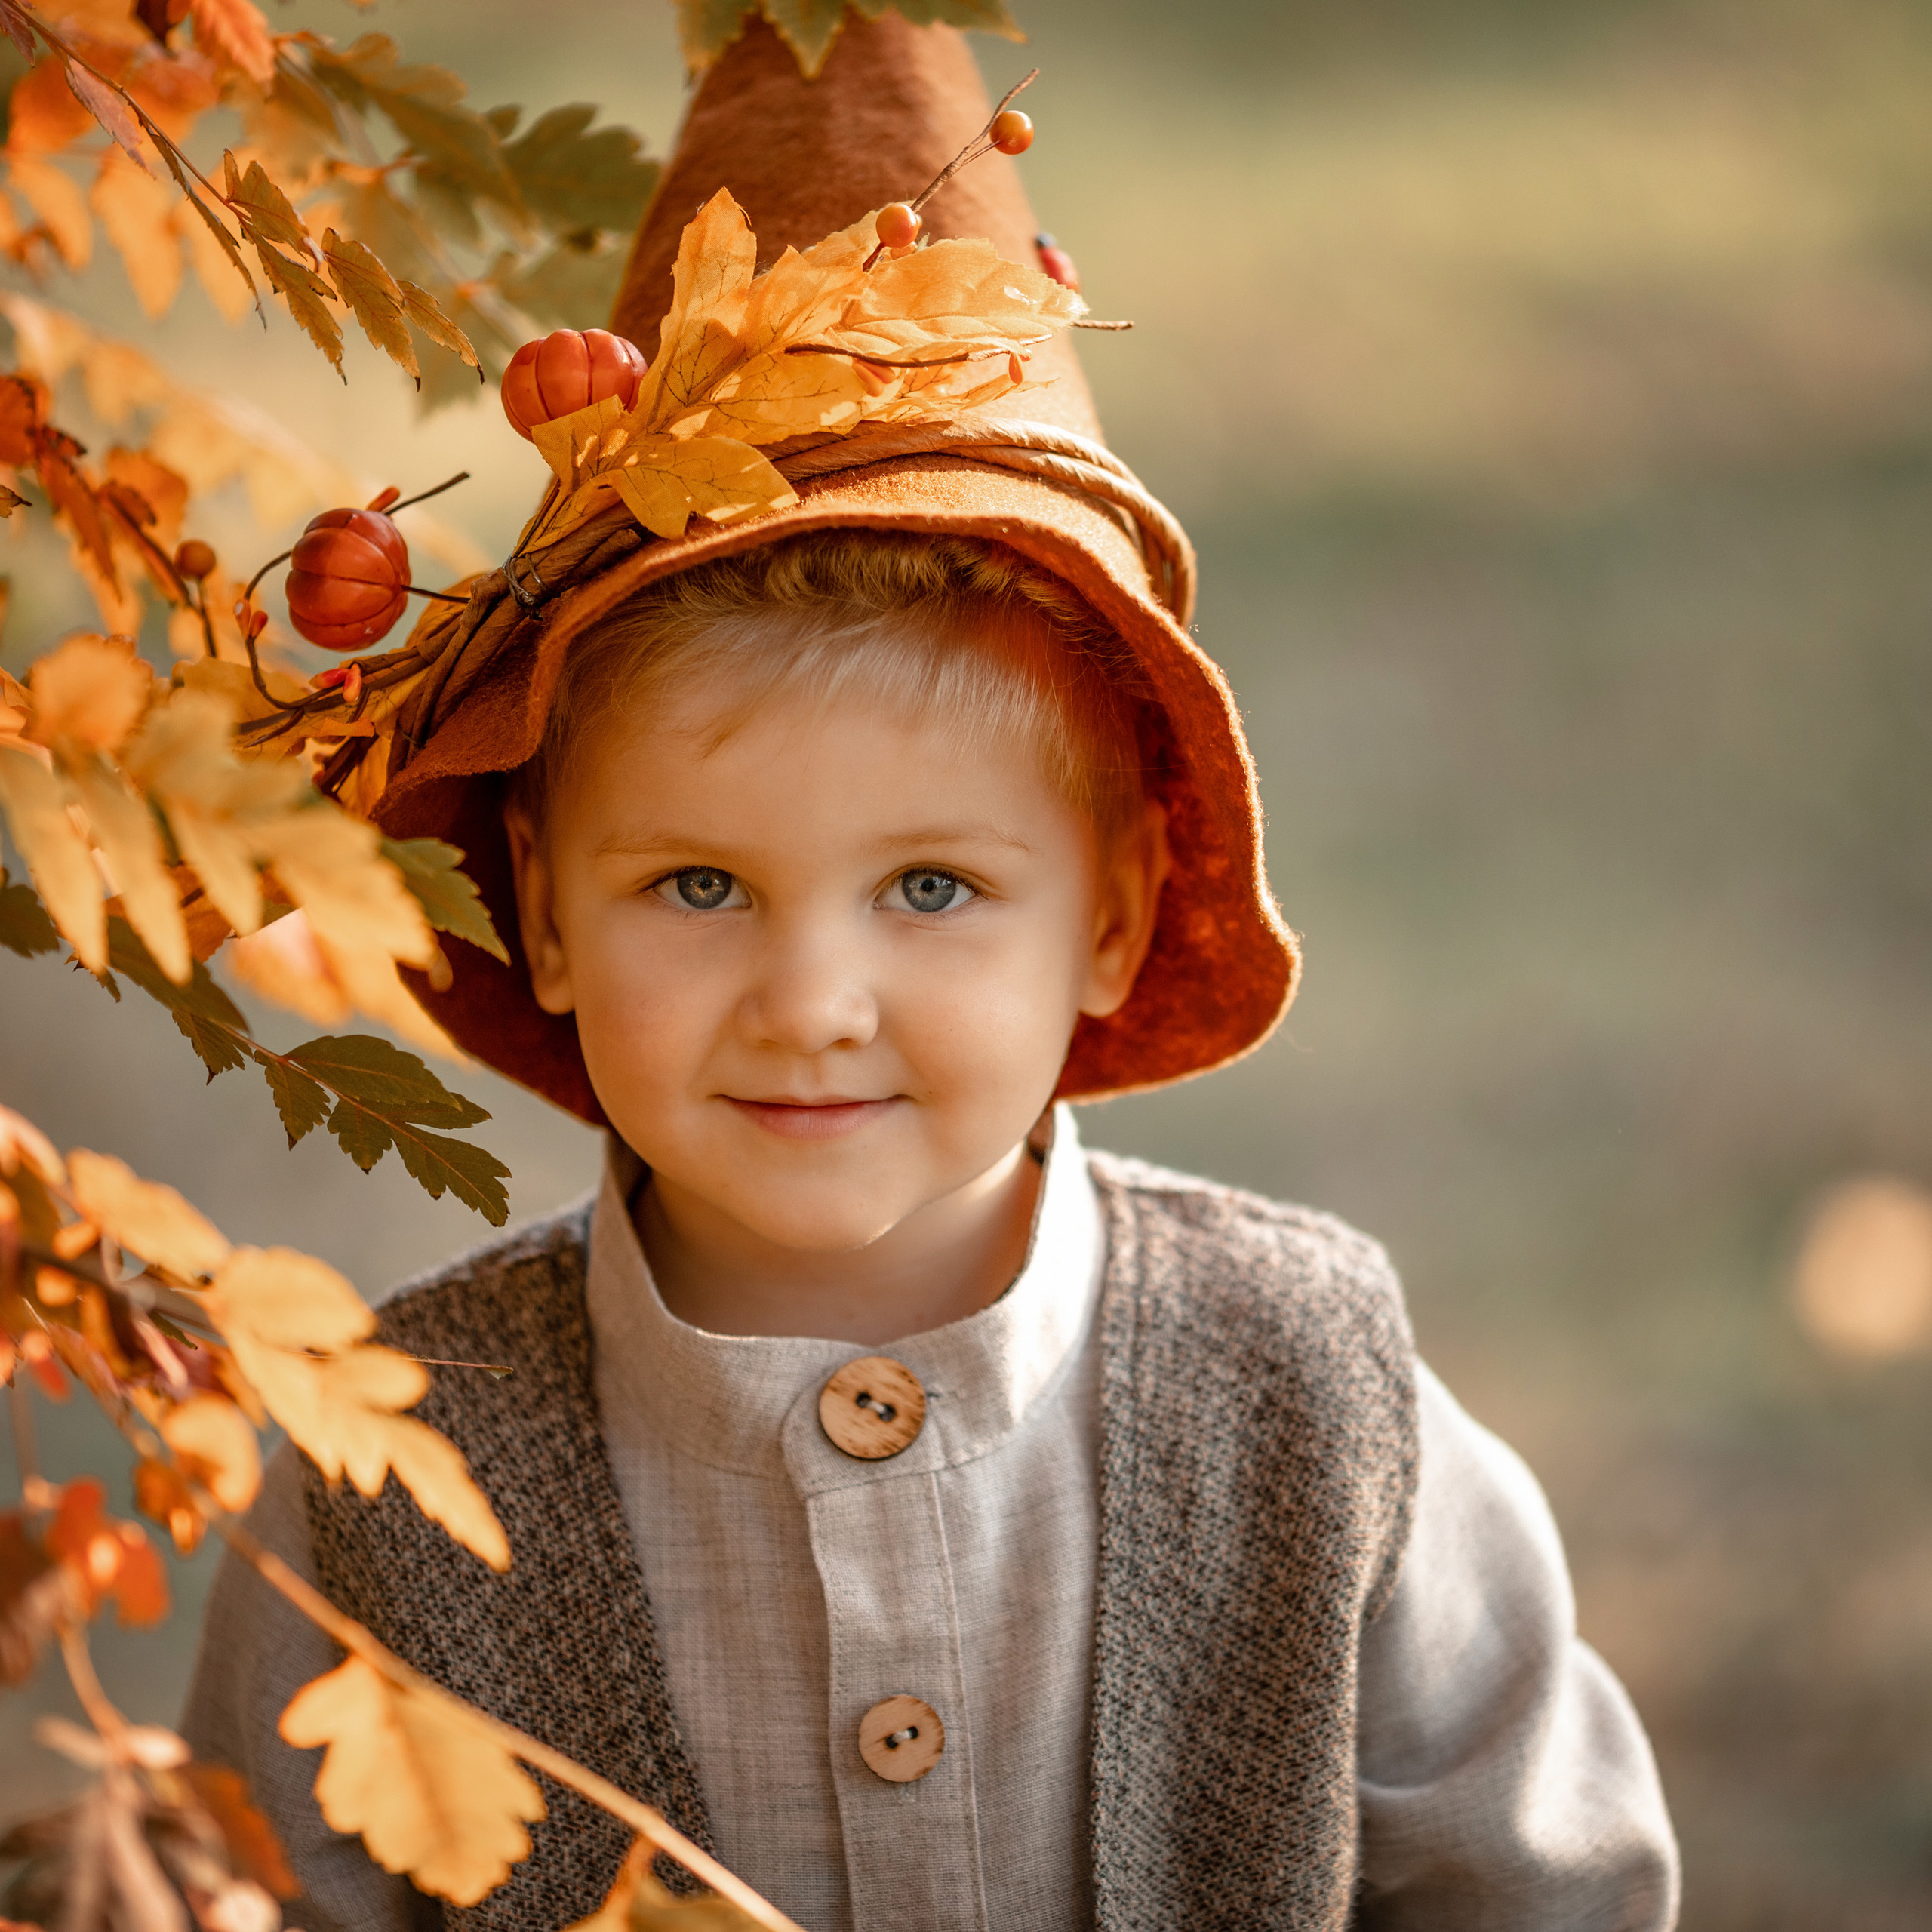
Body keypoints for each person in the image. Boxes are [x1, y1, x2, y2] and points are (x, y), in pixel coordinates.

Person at [183, 14, 1680, 1931]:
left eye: (932, 888)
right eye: (700, 883)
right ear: (542, 910)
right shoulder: (381, 1464)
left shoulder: (1309, 1399)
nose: (812, 997)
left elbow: (1542, 1888)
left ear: (1117, 915)